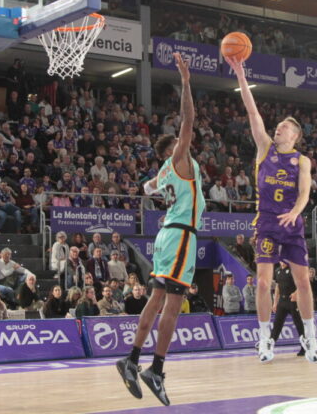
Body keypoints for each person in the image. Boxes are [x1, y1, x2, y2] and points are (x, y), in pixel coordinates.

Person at [117, 53, 206, 406]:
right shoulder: (180, 159)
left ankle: (132, 359)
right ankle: (155, 368)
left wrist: (151, 185)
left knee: (155, 300)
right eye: (181, 142)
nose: (188, 144)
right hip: (181, 234)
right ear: (174, 147)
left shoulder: (163, 173)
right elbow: (190, 119)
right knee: (172, 306)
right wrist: (185, 82)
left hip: (168, 234)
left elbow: (146, 187)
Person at [227, 54, 317, 363]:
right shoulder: (264, 148)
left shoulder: (302, 160)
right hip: (266, 222)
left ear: (295, 136)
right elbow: (252, 111)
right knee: (264, 282)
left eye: (284, 127)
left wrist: (296, 211)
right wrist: (241, 75)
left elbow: (304, 192)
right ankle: (265, 338)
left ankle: (310, 337)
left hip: (291, 224)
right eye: (278, 126)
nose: (278, 128)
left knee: (303, 282)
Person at [270, 261, 306, 356]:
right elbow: (277, 287)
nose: (283, 262)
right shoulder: (277, 271)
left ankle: (304, 347)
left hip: (293, 301)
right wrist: (275, 303)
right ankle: (269, 347)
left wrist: (296, 293)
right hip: (282, 301)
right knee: (277, 324)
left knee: (298, 324)